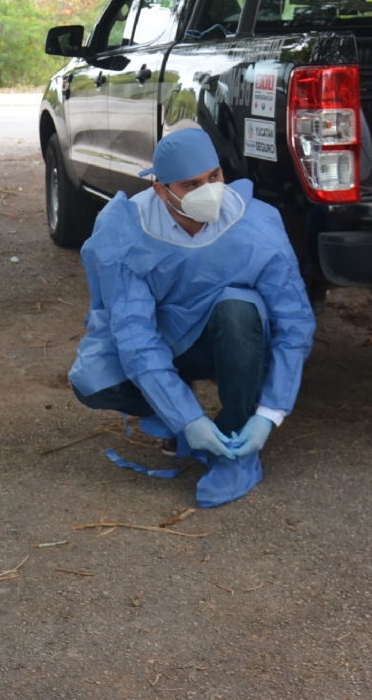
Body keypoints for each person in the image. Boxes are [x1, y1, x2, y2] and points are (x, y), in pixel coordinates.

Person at [68, 127, 315, 507]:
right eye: (191, 184)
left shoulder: (256, 224)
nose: (209, 191)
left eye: (213, 177)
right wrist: (186, 418)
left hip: (231, 338)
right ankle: (180, 419)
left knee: (238, 308)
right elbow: (135, 336)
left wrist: (270, 413)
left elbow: (295, 323)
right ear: (161, 190)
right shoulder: (128, 230)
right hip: (165, 339)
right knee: (92, 380)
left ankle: (235, 447)